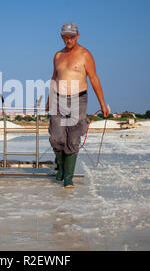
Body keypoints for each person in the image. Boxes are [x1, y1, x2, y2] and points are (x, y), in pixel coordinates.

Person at [46, 22, 109, 189]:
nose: (69, 40)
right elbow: (54, 78)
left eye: (72, 37)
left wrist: (103, 104)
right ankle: (60, 165)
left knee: (73, 139)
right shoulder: (58, 55)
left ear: (77, 36)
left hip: (78, 99)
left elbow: (94, 79)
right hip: (58, 98)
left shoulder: (85, 54)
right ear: (62, 37)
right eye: (66, 37)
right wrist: (49, 99)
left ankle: (68, 177)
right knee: (56, 137)